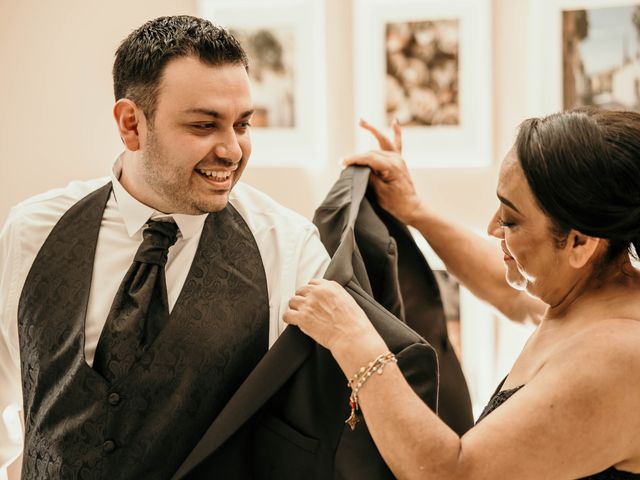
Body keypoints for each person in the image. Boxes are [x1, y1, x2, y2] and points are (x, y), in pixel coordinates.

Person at [0, 16, 331, 479]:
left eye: (242, 124)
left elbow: (319, 436)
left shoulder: (289, 251)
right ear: (131, 124)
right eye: (204, 125)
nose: (233, 151)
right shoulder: (32, 230)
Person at [285, 108, 640, 478]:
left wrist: (354, 340)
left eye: (511, 220)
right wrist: (413, 210)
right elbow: (508, 289)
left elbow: (454, 474)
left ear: (579, 242)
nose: (491, 228)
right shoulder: (592, 287)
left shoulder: (620, 357)